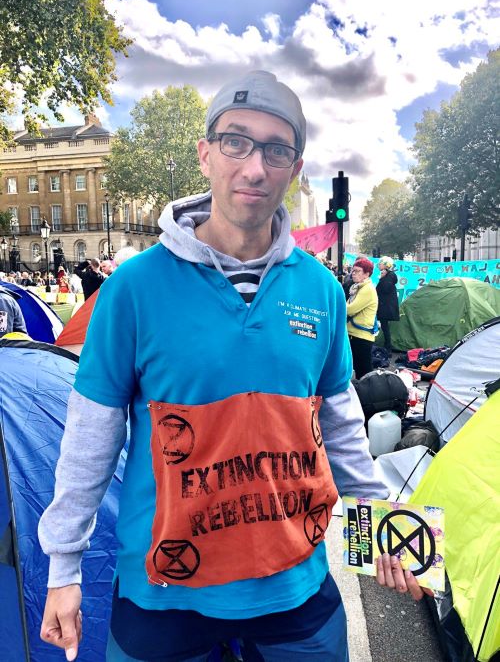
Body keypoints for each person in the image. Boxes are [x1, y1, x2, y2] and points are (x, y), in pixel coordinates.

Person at [39, 70, 427, 662]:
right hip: (164, 594)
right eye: (235, 141)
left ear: (295, 169)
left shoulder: (322, 289)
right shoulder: (133, 290)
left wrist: (382, 528)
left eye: (276, 149)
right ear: (205, 155)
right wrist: (62, 568)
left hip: (296, 585)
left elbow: (342, 427)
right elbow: (90, 439)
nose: (254, 166)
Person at [346, 257, 378, 380]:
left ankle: (368, 398)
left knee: (364, 372)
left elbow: (349, 309)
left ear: (366, 274)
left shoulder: (367, 289)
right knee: (359, 370)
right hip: (355, 334)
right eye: (353, 270)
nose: (353, 273)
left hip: (361, 336)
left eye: (357, 271)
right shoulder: (357, 288)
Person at [376, 256, 399, 354]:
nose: (378, 265)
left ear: (385, 265)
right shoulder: (388, 275)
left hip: (386, 306)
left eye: (380, 264)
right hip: (385, 305)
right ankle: (387, 346)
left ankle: (388, 348)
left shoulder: (389, 276)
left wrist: (381, 279)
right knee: (384, 327)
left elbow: (384, 289)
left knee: (385, 327)